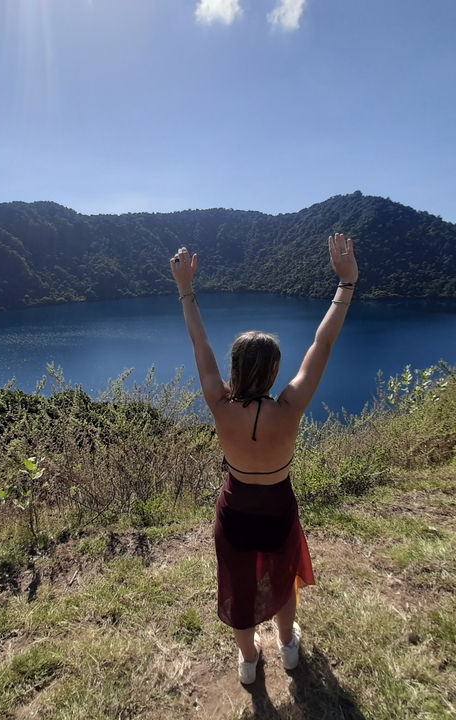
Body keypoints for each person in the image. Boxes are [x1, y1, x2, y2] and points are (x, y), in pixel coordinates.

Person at [170, 233, 359, 685]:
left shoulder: (219, 403)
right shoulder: (288, 409)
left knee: (238, 584)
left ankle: (249, 660)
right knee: (281, 575)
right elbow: (323, 344)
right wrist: (346, 283)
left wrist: (185, 287)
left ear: (235, 369)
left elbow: (200, 345)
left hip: (235, 509)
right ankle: (288, 645)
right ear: (275, 372)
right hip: (277, 507)